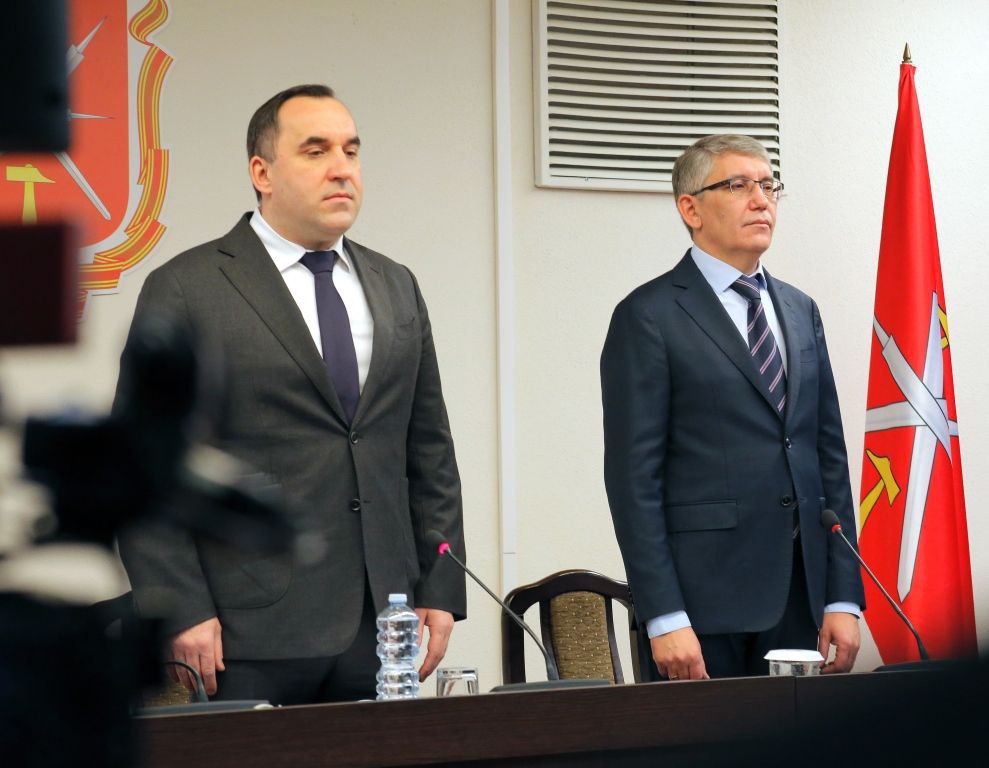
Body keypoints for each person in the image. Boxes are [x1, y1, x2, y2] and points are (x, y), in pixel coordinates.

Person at [117, 84, 466, 704]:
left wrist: (439, 587)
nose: (342, 168)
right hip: (246, 629)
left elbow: (428, 449)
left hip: (383, 625)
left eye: (351, 151)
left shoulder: (396, 284)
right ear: (263, 173)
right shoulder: (189, 288)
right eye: (315, 150)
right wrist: (181, 606)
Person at [600, 135, 864, 680]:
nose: (761, 200)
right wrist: (663, 614)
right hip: (702, 608)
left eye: (769, 185)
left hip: (802, 598)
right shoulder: (648, 316)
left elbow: (826, 455)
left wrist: (842, 596)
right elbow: (633, 480)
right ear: (691, 209)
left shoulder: (800, 309)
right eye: (739, 185)